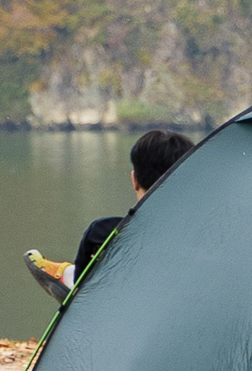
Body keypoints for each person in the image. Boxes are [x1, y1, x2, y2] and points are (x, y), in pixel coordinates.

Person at [23, 121, 195, 301]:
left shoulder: (111, 231)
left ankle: (75, 281)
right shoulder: (203, 231)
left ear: (134, 180)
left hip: (136, 286)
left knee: (99, 235)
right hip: (179, 286)